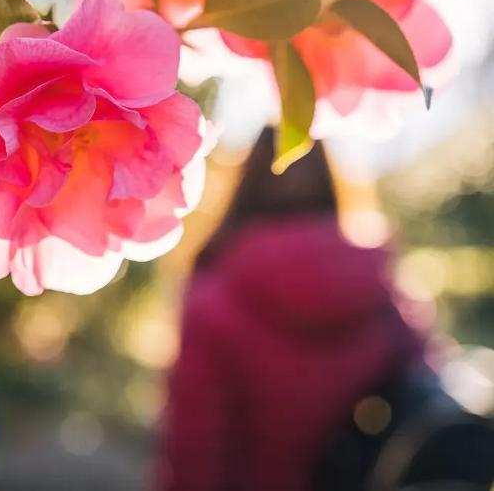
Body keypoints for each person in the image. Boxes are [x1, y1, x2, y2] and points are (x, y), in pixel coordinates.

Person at [156, 128, 494, 491]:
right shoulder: (379, 289)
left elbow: (193, 448)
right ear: (329, 181)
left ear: (246, 183)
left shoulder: (214, 298)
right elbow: (422, 387)